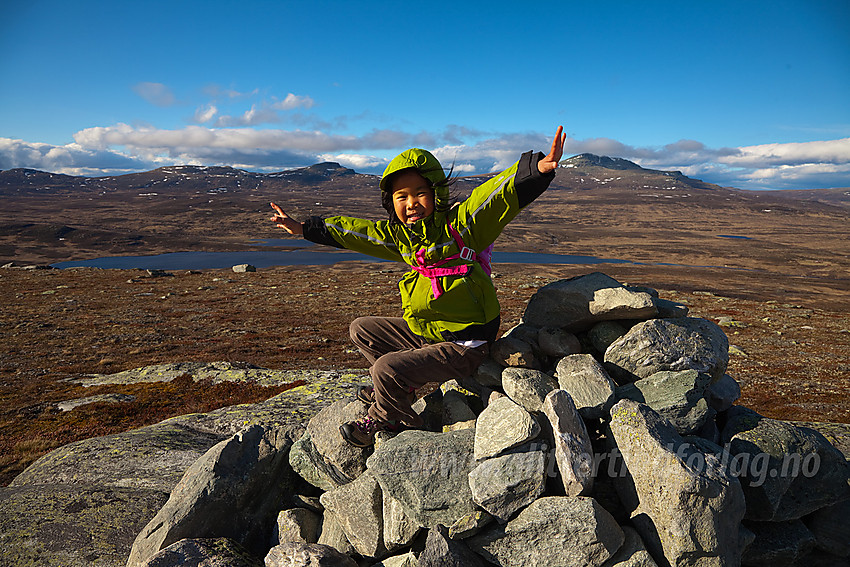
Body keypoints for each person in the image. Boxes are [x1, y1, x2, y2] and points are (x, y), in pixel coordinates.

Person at [270, 126, 566, 447]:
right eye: (402, 196)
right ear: (391, 203)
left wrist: (534, 170)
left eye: (419, 193)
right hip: (431, 333)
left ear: (436, 193)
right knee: (362, 330)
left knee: (385, 368)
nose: (411, 202)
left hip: (465, 345)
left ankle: (385, 417)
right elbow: (356, 232)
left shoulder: (463, 226)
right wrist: (303, 228)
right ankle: (403, 387)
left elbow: (493, 197)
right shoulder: (403, 238)